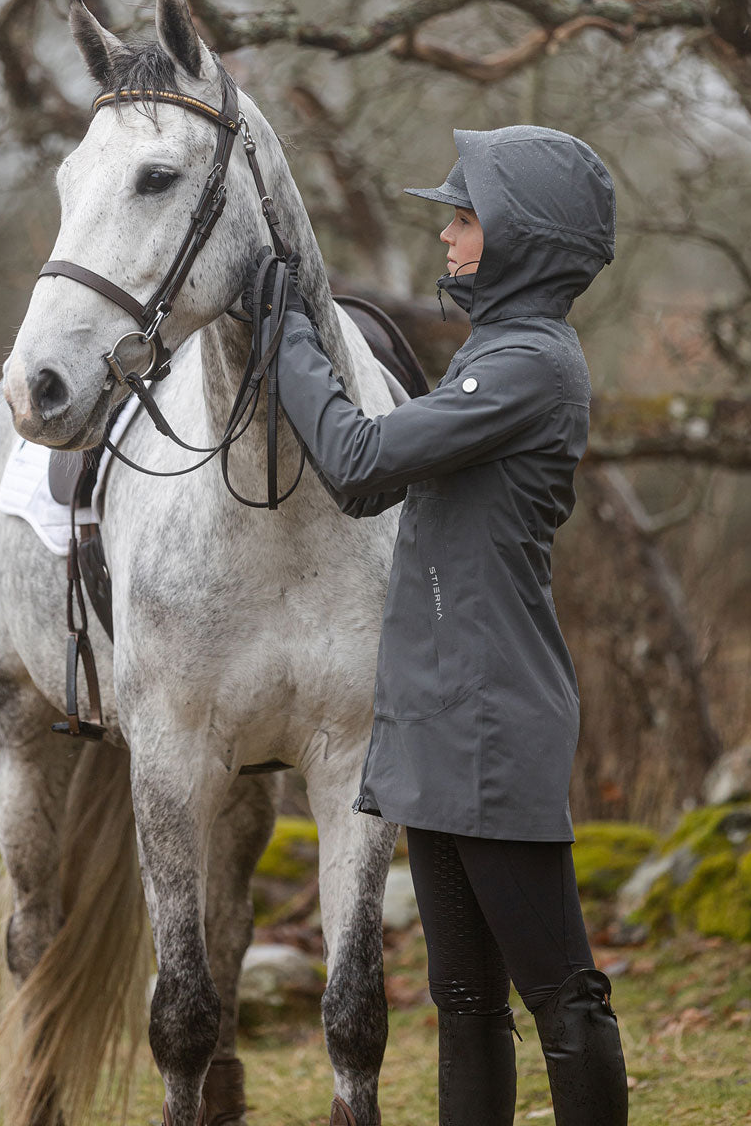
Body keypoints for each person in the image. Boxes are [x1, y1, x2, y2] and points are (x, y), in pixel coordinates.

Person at [266, 126, 628, 1126]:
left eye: (464, 219)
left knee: (559, 990)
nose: (447, 235)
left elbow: (356, 461)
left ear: (522, 239)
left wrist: (291, 330)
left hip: (491, 717)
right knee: (464, 1002)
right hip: (433, 716)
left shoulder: (529, 366)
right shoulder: (494, 358)